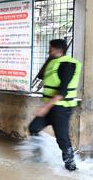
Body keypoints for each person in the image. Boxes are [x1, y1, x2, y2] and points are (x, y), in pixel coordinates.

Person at [29, 39, 82, 171]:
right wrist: (49, 59)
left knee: (62, 139)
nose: (48, 51)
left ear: (58, 50)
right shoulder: (54, 62)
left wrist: (45, 107)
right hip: (51, 106)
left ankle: (71, 167)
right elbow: (41, 76)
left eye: (51, 49)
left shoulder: (67, 64)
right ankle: (39, 157)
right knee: (34, 128)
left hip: (61, 108)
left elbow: (63, 91)